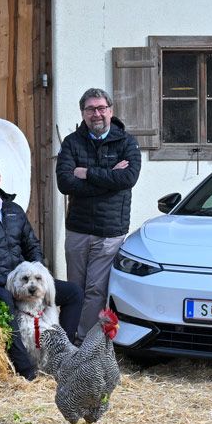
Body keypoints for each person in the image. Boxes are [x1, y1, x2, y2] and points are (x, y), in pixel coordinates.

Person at [0, 157, 83, 379]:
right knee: (5, 298)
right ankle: (26, 370)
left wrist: (36, 274)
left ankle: (61, 356)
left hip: (23, 279)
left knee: (73, 293)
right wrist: (8, 281)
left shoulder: (14, 210)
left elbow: (32, 245)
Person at [55, 87, 142, 334]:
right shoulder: (72, 143)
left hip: (109, 230)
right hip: (78, 229)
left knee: (96, 289)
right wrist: (109, 179)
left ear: (111, 111)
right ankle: (67, 337)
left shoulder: (127, 142)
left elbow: (127, 179)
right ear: (83, 113)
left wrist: (87, 173)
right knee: (75, 288)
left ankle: (82, 340)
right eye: (91, 109)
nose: (97, 114)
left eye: (101, 108)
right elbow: (65, 184)